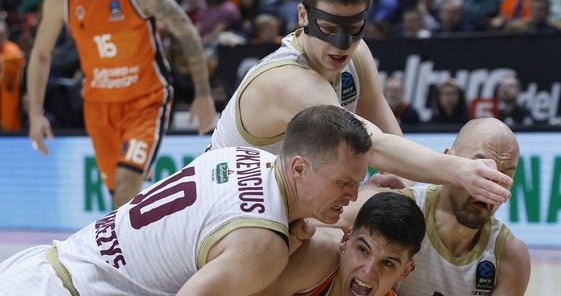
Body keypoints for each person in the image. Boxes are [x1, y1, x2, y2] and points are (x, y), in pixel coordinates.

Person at [210, 0, 513, 206]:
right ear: (303, 16)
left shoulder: (357, 56)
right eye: (328, 27)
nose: (342, 45)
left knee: (396, 218)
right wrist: (460, 170)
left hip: (268, 205)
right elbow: (372, 145)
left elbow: (392, 145)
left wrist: (399, 191)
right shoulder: (289, 81)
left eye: (354, 28)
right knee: (339, 234)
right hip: (221, 204)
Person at [0, 105, 373, 296]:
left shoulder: (244, 157)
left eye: (359, 183)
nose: (352, 194)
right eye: (343, 182)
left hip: (38, 267)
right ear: (299, 168)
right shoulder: (264, 246)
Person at [26, 0, 216, 209]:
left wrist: (203, 94)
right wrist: (36, 113)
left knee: (127, 184)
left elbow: (186, 31)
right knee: (119, 198)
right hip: (99, 105)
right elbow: (40, 55)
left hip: (146, 100)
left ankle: (127, 253)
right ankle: (142, 246)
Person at [336, 117, 531, 296]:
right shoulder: (393, 207)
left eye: (504, 176)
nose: (490, 184)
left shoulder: (510, 257)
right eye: (480, 167)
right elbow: (314, 226)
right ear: (448, 158)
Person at [252, 191, 426, 296]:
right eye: (363, 250)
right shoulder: (317, 255)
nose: (368, 271)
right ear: (347, 239)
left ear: (405, 270)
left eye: (387, 263)